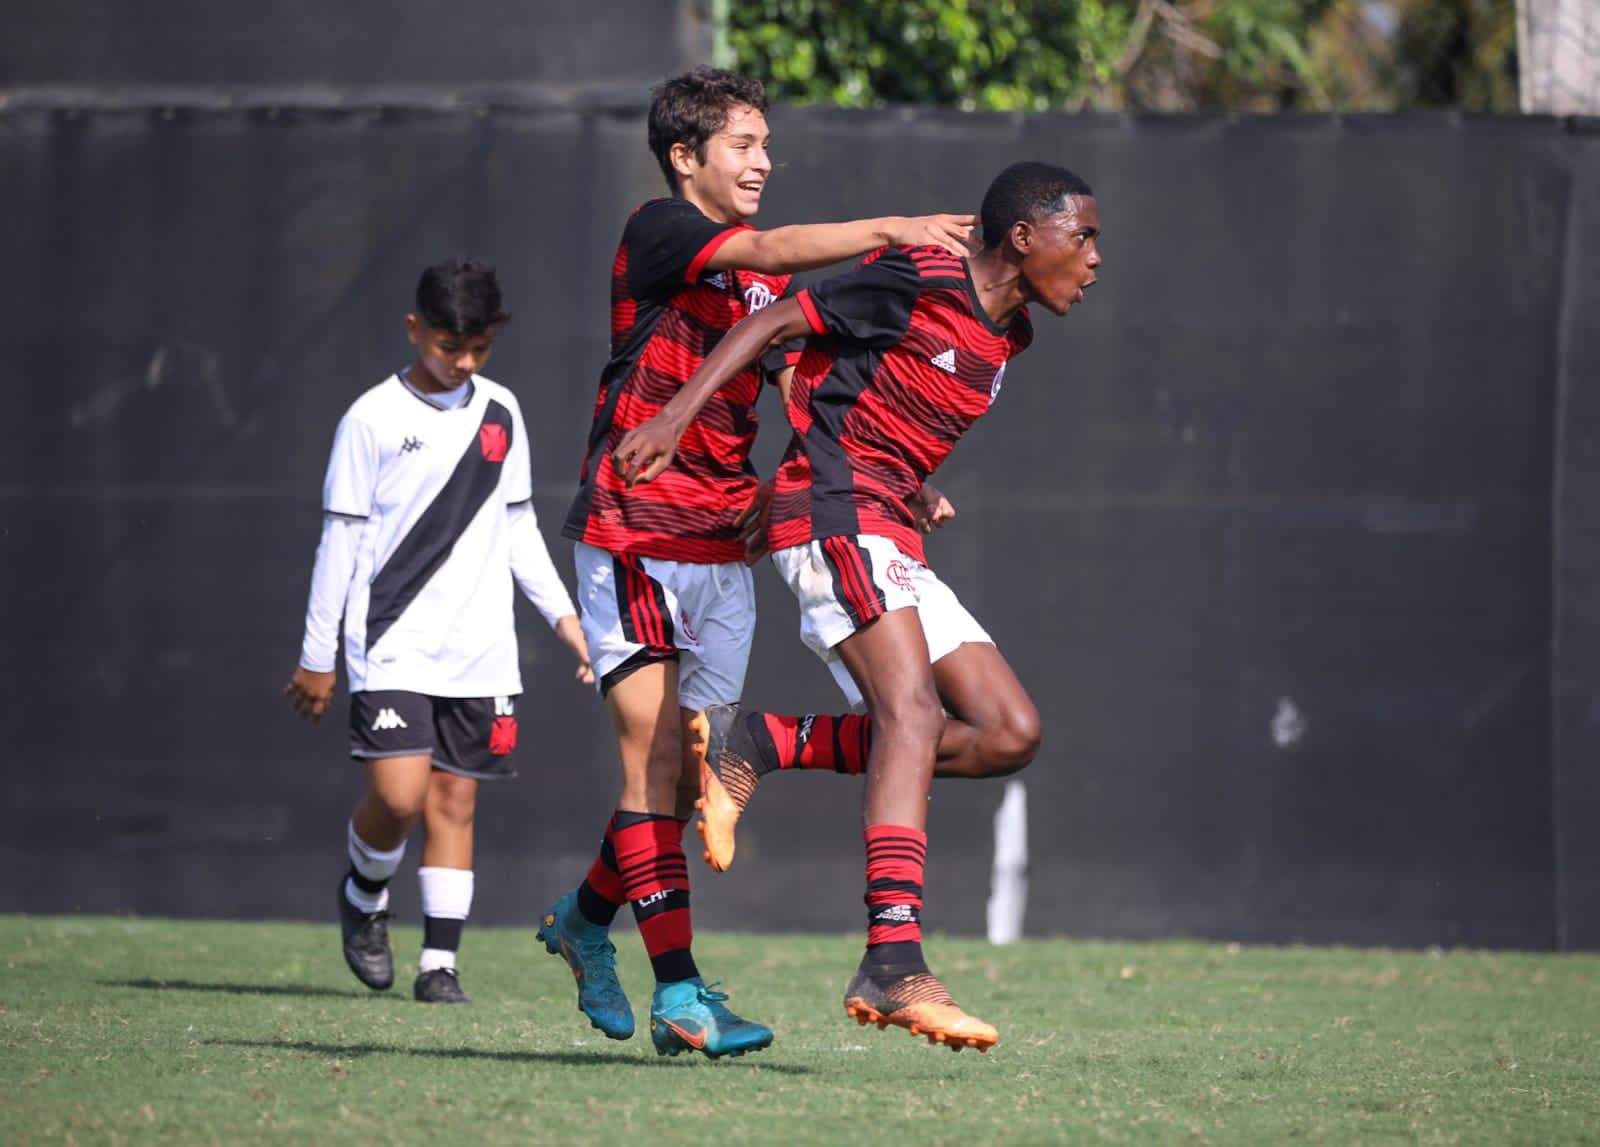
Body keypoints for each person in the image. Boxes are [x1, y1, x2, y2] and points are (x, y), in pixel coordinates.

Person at [533, 65, 980, 1060]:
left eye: (766, 144)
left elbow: (803, 392)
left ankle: (580, 919)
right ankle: (683, 994)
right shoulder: (658, 229)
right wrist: (898, 225)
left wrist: (898, 483)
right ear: (686, 156)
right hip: (635, 526)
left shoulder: (766, 282)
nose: (763, 160)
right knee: (651, 763)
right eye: (744, 144)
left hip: (725, 544)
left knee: (689, 782)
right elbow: (772, 246)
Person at [612, 160, 1103, 1052]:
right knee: (909, 713)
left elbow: (848, 378)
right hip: (834, 509)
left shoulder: (1013, 333)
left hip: (885, 519)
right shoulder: (924, 276)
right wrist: (679, 417)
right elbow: (778, 323)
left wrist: (915, 483)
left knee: (1007, 731)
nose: (1095, 256)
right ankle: (892, 956)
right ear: (1024, 237)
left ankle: (769, 742)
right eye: (1086, 235)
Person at [285, 257, 592, 1005]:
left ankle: (438, 965)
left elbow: (517, 526)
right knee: (397, 797)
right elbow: (342, 540)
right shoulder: (371, 419)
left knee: (456, 801)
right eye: (450, 345)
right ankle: (364, 894)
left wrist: (567, 619)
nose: (464, 362)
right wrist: (315, 656)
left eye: (479, 348)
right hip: (391, 639)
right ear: (414, 328)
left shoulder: (502, 411)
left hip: (481, 646)